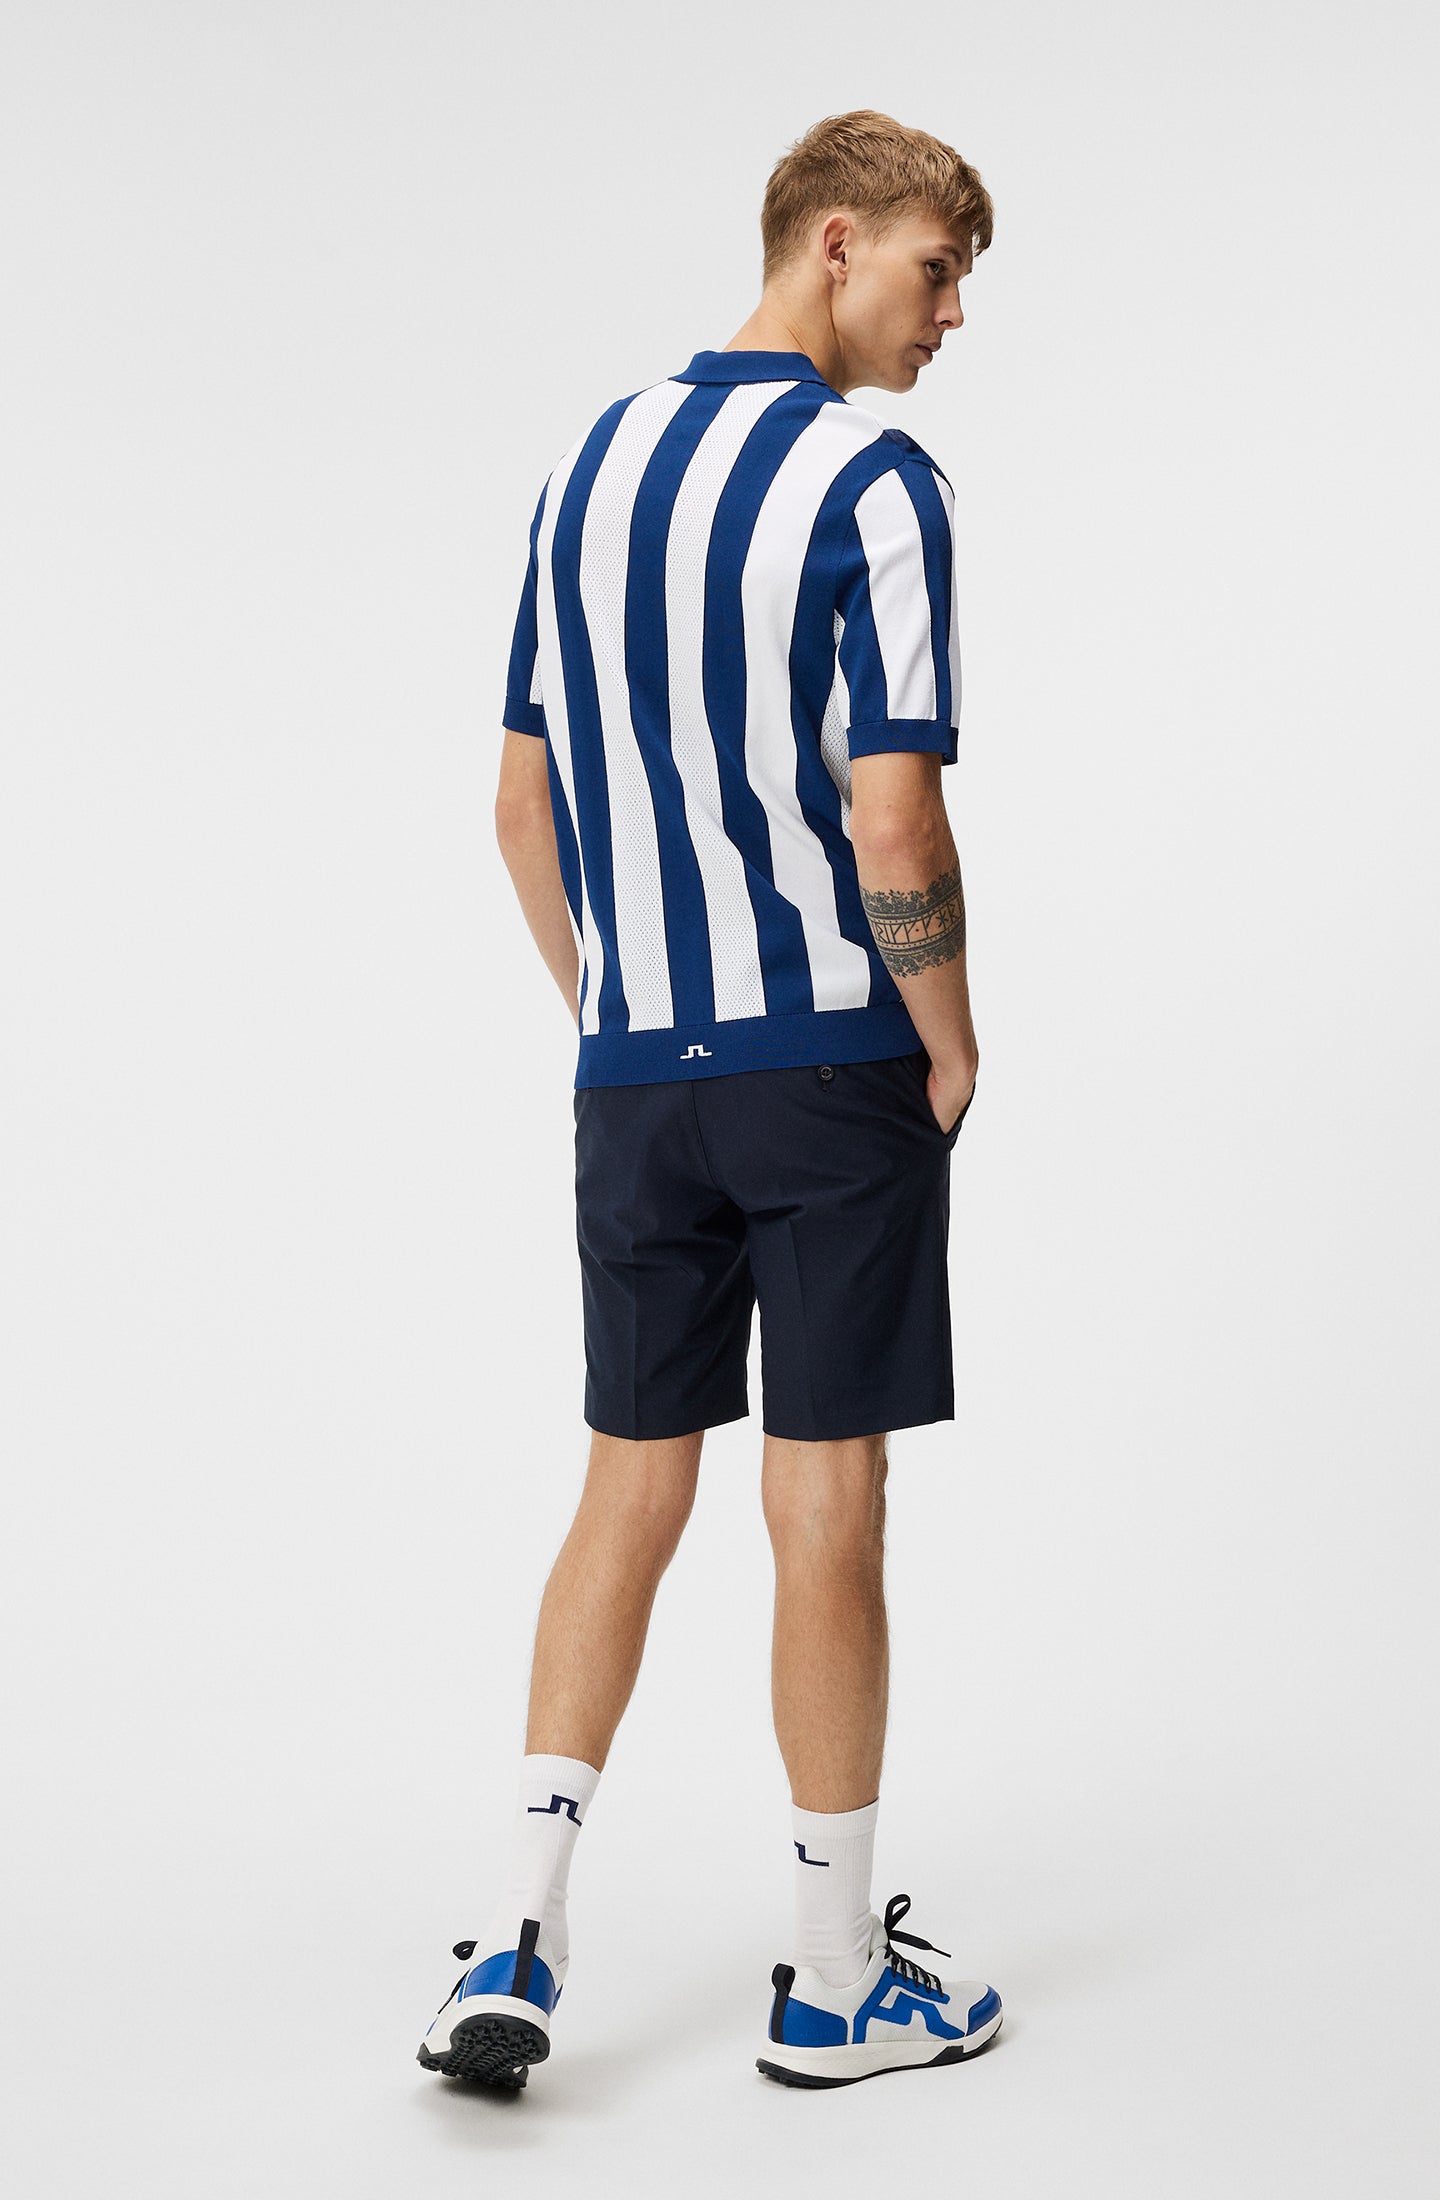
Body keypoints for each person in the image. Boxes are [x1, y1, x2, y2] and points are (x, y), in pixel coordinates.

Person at [417, 108, 1001, 2093]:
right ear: (834, 240)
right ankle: (833, 1980)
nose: (949, 317)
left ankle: (513, 1930)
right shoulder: (874, 478)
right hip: (827, 1061)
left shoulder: (586, 463)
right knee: (824, 1497)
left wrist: (617, 1013)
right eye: (936, 271)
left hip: (633, 1081)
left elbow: (519, 803)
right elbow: (893, 813)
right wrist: (945, 1036)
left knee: (628, 1480)